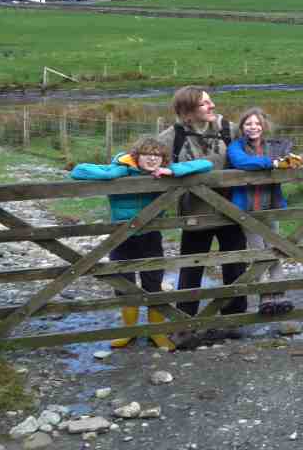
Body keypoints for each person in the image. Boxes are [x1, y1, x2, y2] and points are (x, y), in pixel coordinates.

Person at [70, 136, 213, 350]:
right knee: (123, 285)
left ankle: (157, 333)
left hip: (151, 236)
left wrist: (172, 171)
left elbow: (206, 164)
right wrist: (114, 172)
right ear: (136, 156)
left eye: (157, 155)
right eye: (147, 154)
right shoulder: (121, 168)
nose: (153, 159)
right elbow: (78, 171)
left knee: (153, 284)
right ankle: (129, 333)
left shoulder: (162, 171)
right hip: (121, 237)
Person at [156, 86, 249, 335]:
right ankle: (186, 323)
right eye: (205, 104)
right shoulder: (171, 137)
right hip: (194, 213)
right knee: (191, 267)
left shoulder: (229, 130)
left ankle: (234, 321)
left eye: (211, 102)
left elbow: (256, 147)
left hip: (231, 210)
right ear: (187, 111)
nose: (213, 106)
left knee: (235, 266)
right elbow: (147, 161)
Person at [226, 108, 303, 315]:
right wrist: (273, 163)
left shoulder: (274, 146)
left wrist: (293, 160)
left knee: (275, 250)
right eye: (248, 124)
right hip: (247, 209)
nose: (253, 127)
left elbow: (290, 160)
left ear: (263, 126)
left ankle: (280, 294)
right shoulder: (236, 146)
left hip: (271, 206)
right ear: (242, 127)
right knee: (259, 252)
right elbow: (241, 162)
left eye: (257, 124)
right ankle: (265, 296)